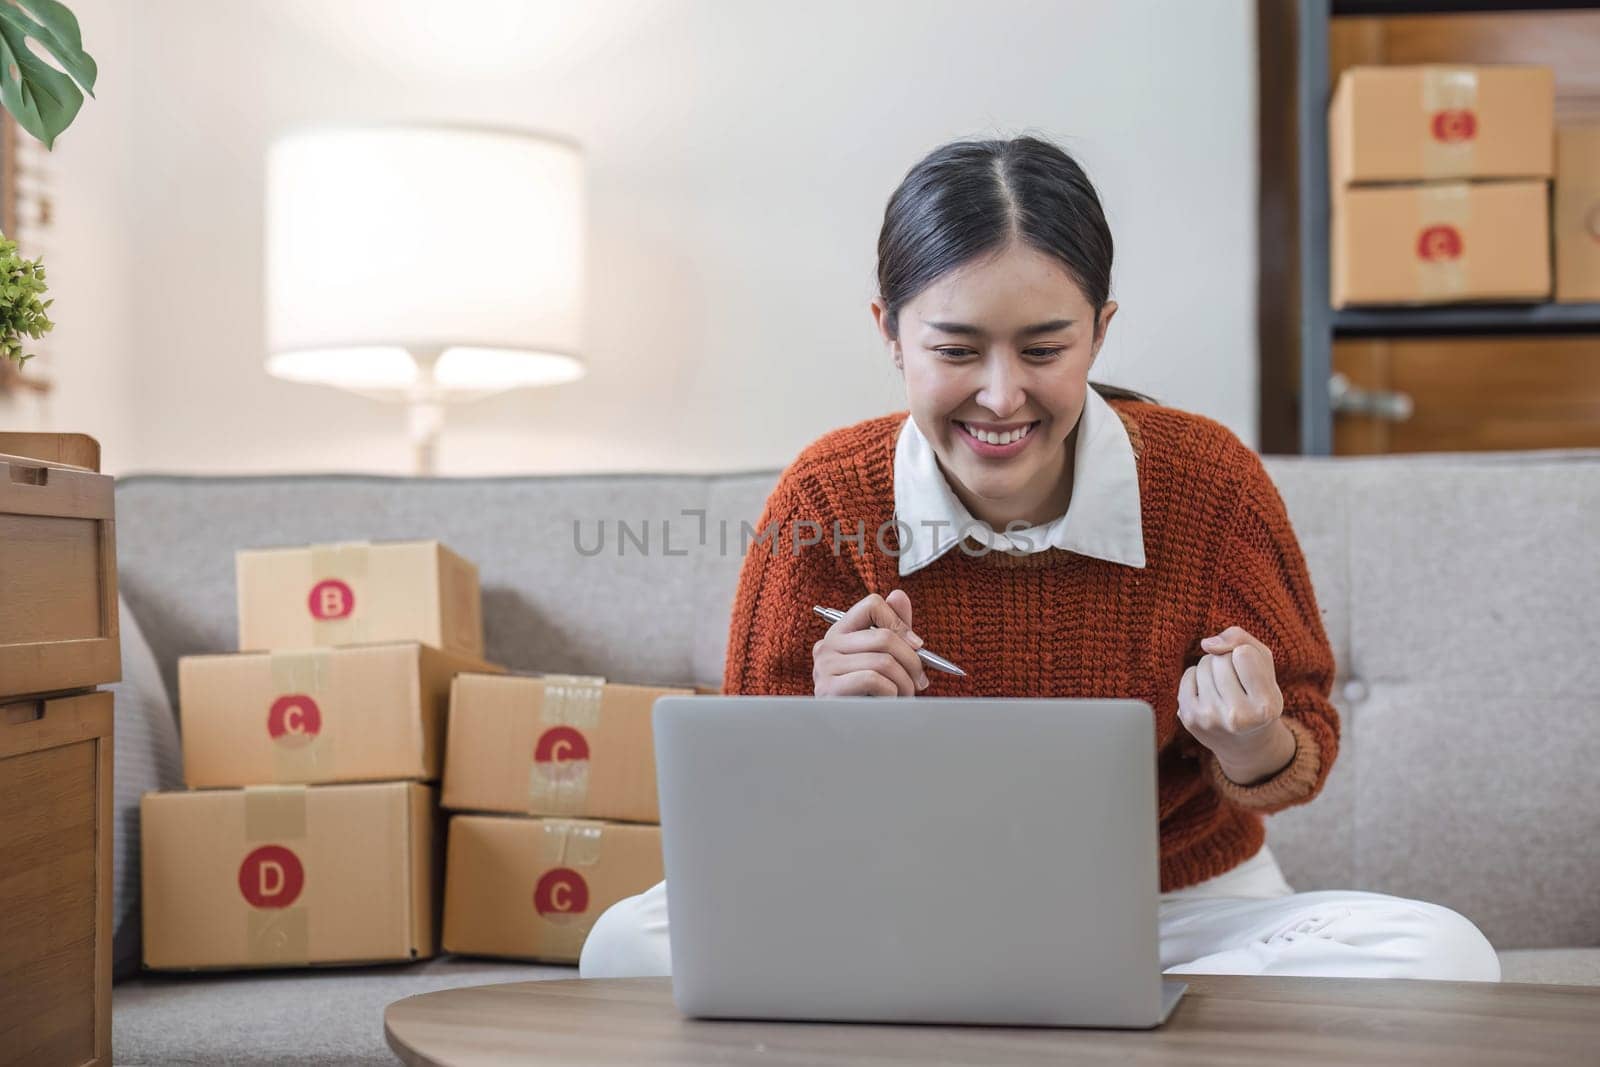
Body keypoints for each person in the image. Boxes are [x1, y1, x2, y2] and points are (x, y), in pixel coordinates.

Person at [579, 135, 1500, 983]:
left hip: (1176, 911)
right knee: (624, 945)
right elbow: (753, 814)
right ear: (890, 334)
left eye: (1046, 348)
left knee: (1446, 957)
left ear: (1099, 330)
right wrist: (826, 731)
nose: (1001, 394)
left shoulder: (1206, 480)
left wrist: (1252, 739)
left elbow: (1302, 738)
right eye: (955, 348)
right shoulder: (824, 498)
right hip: (899, 907)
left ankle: (1034, 1012)